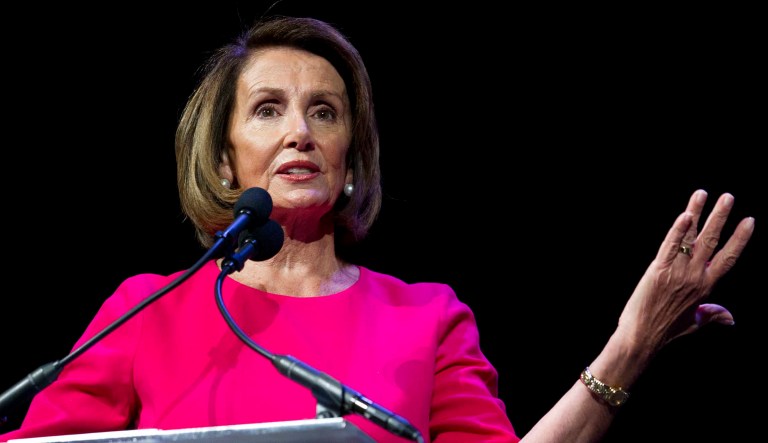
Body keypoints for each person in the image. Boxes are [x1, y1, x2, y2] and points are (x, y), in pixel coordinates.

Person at [0, 15, 755, 443]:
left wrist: (628, 347)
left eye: (323, 112)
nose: (299, 131)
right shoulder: (147, 310)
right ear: (225, 164)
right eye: (268, 110)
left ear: (351, 161)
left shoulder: (426, 318)